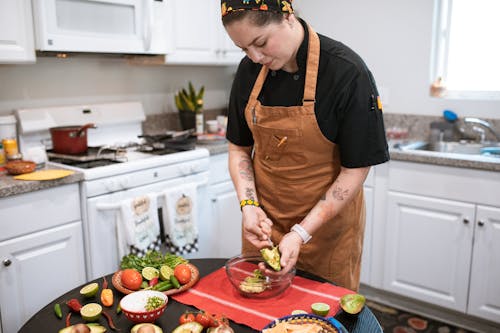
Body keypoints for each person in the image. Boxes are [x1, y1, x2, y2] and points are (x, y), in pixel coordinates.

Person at [221, 0, 389, 292]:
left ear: (287, 17)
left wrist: (300, 233)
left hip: (326, 234)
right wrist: (248, 206)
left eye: (260, 43)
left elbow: (356, 169)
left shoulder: (346, 72)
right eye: (244, 49)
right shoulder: (249, 71)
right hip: (263, 226)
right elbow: (239, 149)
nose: (255, 56)